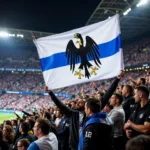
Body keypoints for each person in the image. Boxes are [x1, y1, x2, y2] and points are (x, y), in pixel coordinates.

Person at [45, 71, 124, 150]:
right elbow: (60, 105)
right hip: (74, 147)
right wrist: (51, 93)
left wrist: (117, 79)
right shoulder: (72, 114)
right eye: (78, 101)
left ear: (87, 106)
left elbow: (107, 96)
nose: (78, 102)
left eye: (81, 101)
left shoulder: (93, 114)